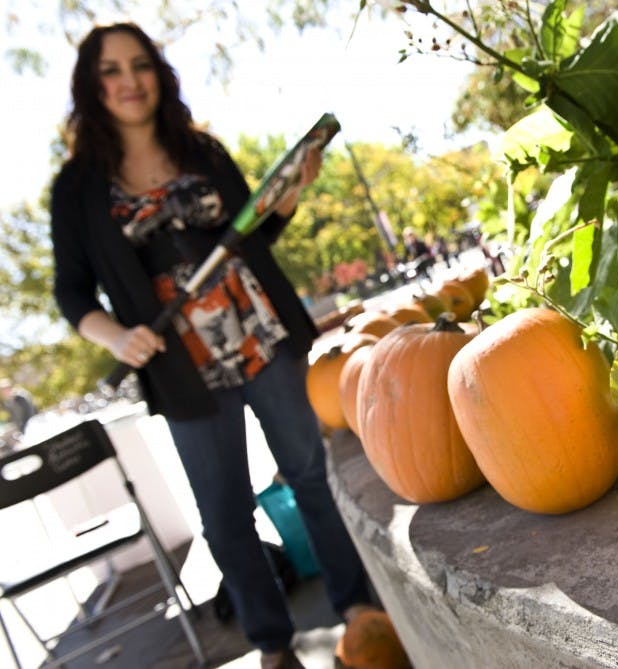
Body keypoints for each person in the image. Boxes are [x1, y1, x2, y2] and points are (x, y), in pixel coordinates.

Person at [49, 23, 404, 669]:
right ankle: (273, 644)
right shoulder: (77, 187)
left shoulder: (203, 150)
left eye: (140, 65)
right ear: (92, 85)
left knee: (310, 476)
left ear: (158, 73)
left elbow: (253, 237)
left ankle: (359, 607)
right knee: (225, 514)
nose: (129, 81)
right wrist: (117, 336)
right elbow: (71, 292)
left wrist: (290, 191)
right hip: (180, 366)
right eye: (111, 70)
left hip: (262, 333)